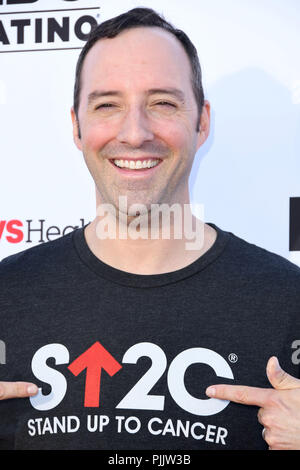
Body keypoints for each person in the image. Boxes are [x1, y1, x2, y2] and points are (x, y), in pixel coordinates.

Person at [0, 7, 300, 451]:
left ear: (202, 122)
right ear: (76, 126)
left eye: (162, 103)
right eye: (107, 105)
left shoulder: (289, 300)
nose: (135, 133)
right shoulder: (7, 294)